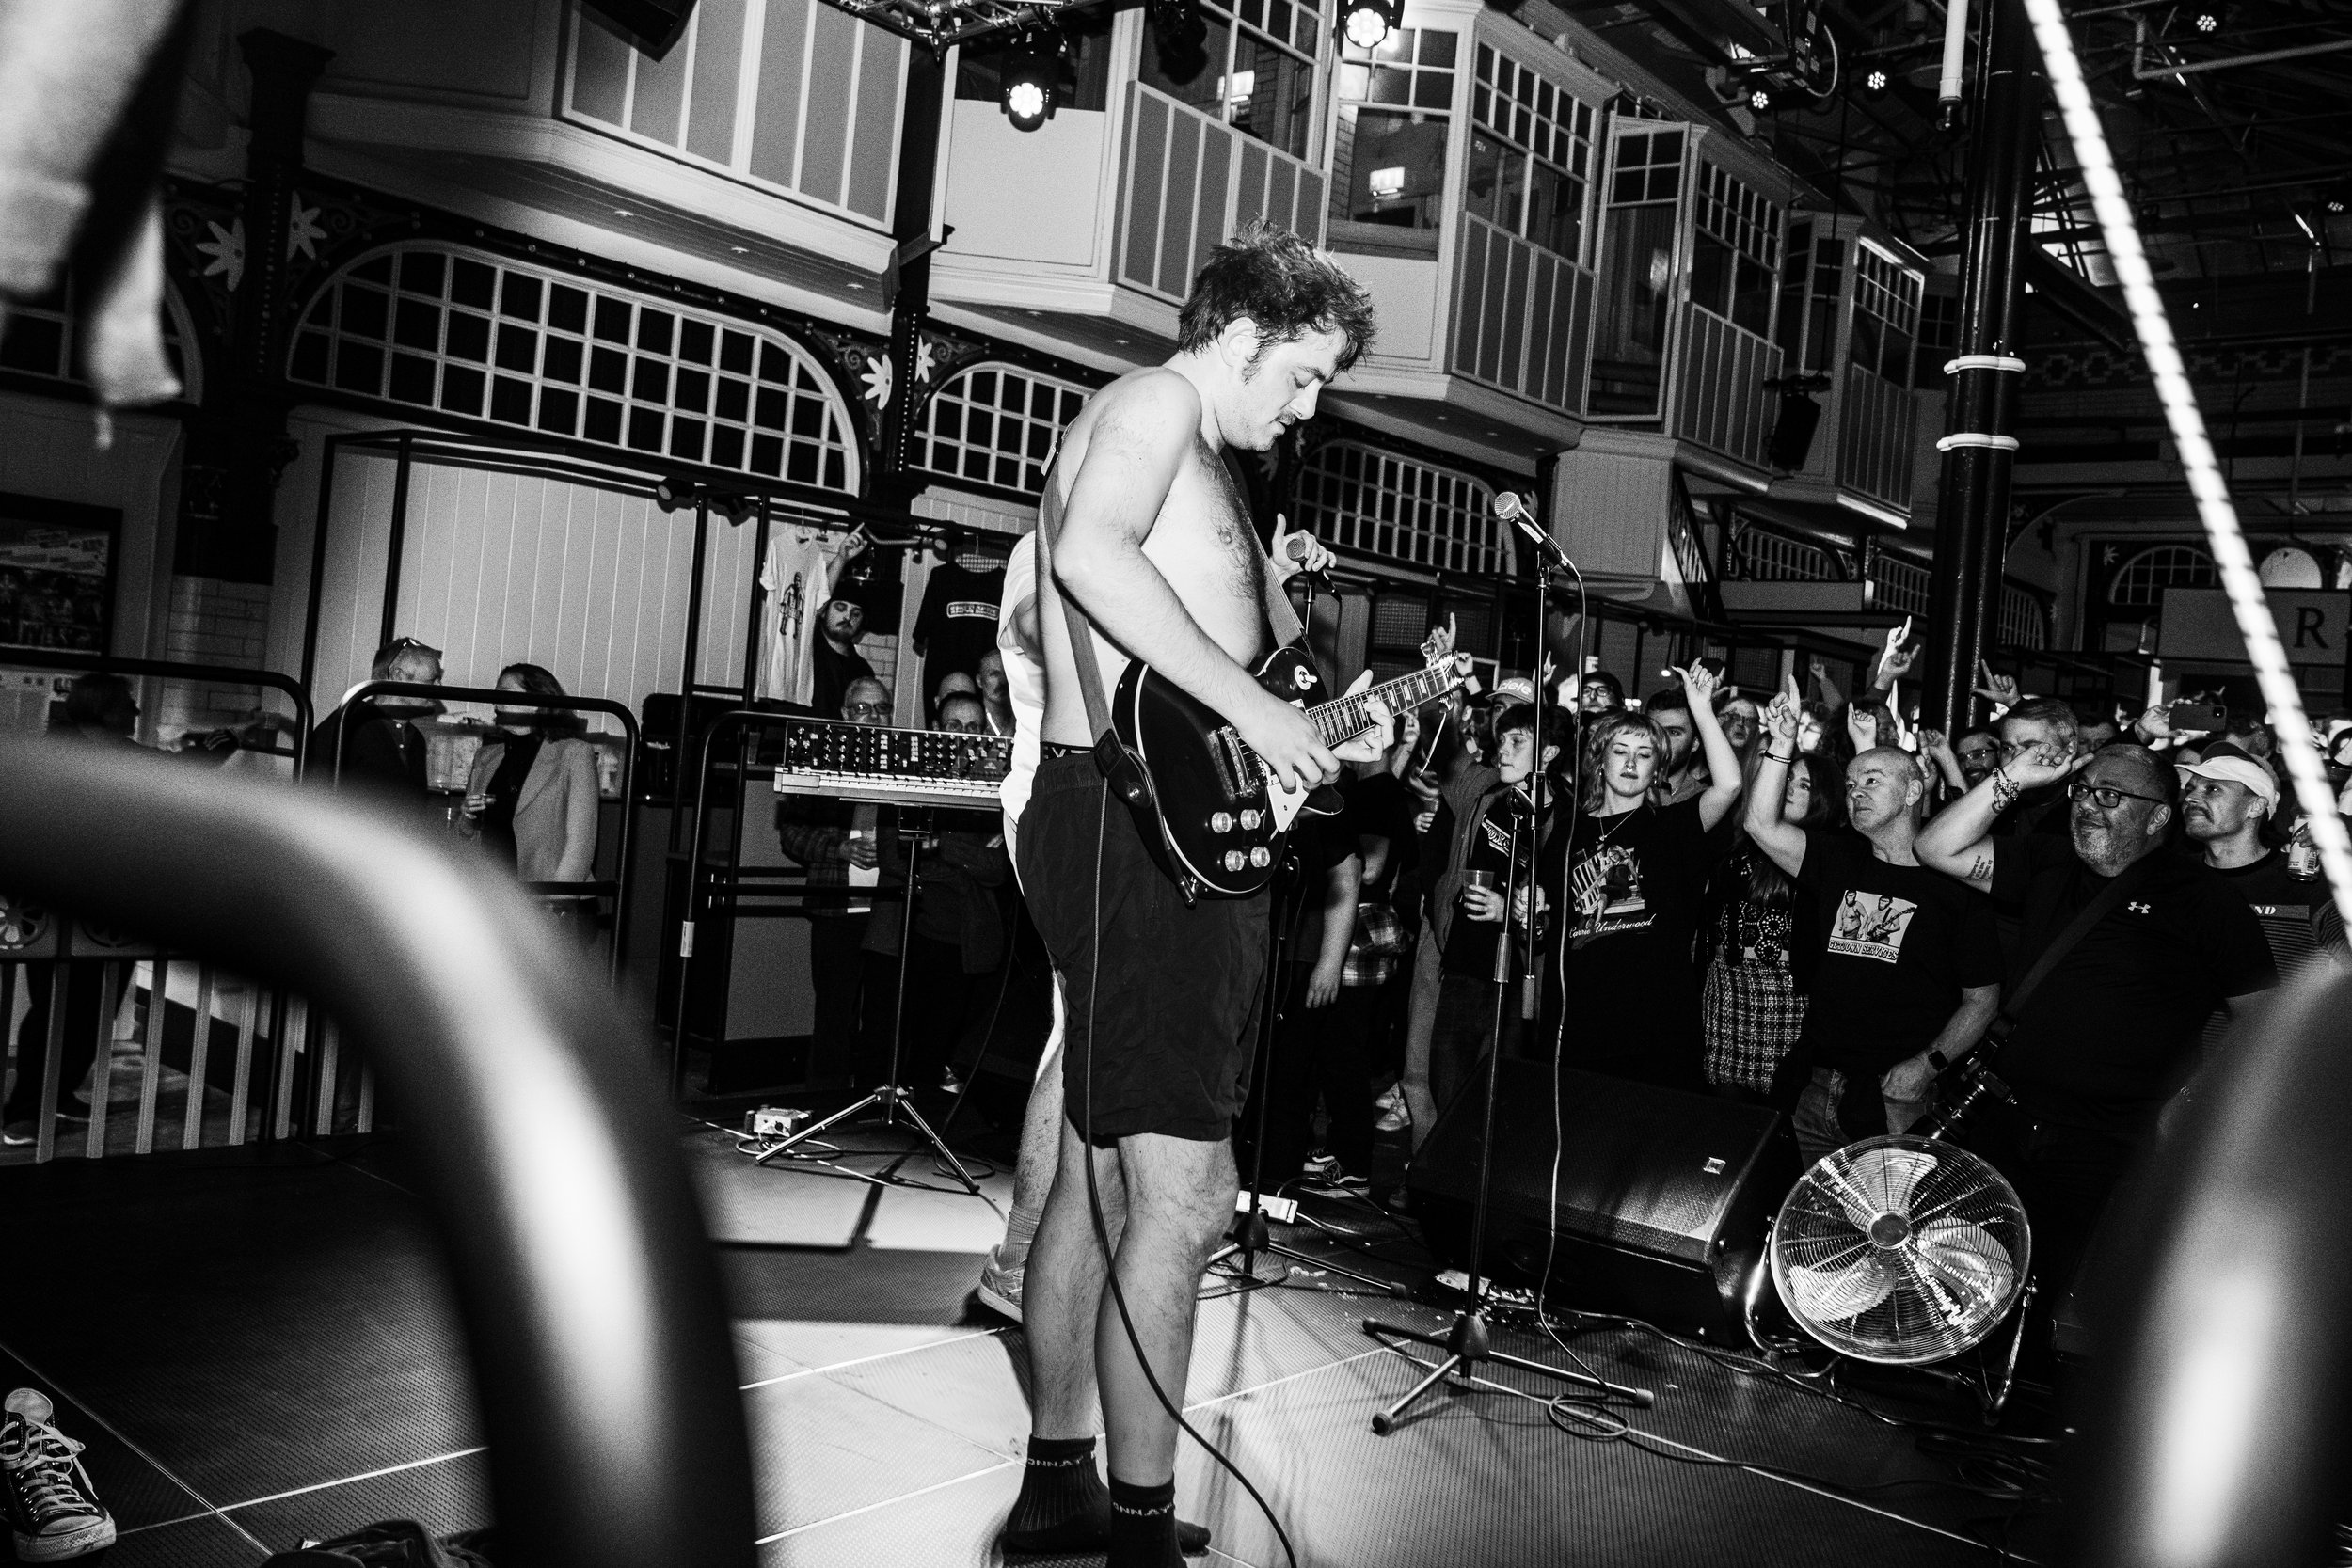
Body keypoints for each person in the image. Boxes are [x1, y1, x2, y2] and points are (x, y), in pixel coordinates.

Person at [1006, 224, 1377, 1568]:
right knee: (1184, 1188)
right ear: (1240, 335)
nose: (1310, 403)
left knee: (1105, 1174)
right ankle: (1143, 1529)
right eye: (1303, 372)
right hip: (1129, 827)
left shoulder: (1203, 452)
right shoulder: (1157, 399)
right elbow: (1091, 559)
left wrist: (1319, 727)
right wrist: (1256, 714)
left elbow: (1240, 675)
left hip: (1157, 820)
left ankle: (1062, 1484)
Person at [1915, 741, 2275, 1316]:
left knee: (2056, 1298)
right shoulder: (2048, 861)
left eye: (2111, 796)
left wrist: (2195, 1098)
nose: (2088, 805)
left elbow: (2263, 1023)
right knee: (1956, 1273)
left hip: (2104, 1146)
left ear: (2159, 815)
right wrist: (2013, 776)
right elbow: (1934, 847)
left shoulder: (2204, 901)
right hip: (2003, 1117)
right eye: (2083, 791)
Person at [1747, 688, 2002, 1161]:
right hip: (1818, 1082)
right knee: (1815, 1227)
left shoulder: (1955, 882)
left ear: (1911, 791)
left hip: (1895, 1092)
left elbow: (1982, 999)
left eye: (1871, 780)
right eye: (1849, 784)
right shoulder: (1837, 857)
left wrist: (1927, 1066)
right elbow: (1761, 825)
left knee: (1888, 1226)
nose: (1855, 791)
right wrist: (1780, 744)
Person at [1541, 665, 1741, 1089]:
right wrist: (1527, 904)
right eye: (1621, 751)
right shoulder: (1567, 829)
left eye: (1645, 755)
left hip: (1655, 1026)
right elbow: (1550, 917)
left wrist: (1702, 709)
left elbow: (1728, 785)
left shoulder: (1672, 826)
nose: (1631, 763)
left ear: (1657, 770)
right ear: (1599, 760)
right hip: (1579, 1019)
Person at [2, 674, 143, 1145]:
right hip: (59, 904)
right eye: (128, 703)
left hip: (104, 902)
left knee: (93, 1006)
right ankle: (24, 1109)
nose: (136, 713)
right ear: (104, 709)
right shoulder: (60, 755)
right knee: (57, 1005)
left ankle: (57, 1095)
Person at [975, 533, 1056, 1323]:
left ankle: (1045, 1249)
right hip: (1059, 800)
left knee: (1097, 1032)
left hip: (1133, 812)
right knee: (1083, 1029)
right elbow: (1036, 629)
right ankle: (1024, 1255)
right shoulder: (1054, 536)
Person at [858, 692, 1009, 1091]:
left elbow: (997, 870)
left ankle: (920, 1130)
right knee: (887, 1042)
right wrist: (965, 860)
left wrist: (939, 844)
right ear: (938, 731)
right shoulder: (909, 777)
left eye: (974, 728)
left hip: (963, 941)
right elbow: (894, 855)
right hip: (907, 932)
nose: (965, 736)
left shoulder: (998, 792)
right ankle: (878, 1127)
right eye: (955, 727)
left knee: (933, 1051)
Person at [1424, 702, 1557, 1127]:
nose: (1503, 750)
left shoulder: (1567, 819)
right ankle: (1440, 1188)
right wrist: (1441, 687)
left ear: (1549, 753)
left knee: (1498, 1105)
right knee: (1447, 1092)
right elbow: (1445, 750)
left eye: (1518, 741)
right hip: (1463, 966)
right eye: (1501, 739)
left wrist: (1511, 910)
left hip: (1517, 981)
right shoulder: (1483, 789)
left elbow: (1560, 911)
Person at [1699, 745, 1840, 1101]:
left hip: (1785, 995)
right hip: (1726, 987)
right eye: (1788, 778)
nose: (1790, 787)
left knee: (1779, 1108)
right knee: (1725, 1111)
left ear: (1824, 797)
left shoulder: (1827, 851)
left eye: (1805, 785)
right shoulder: (1742, 841)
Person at [775, 674, 896, 1085]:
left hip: (890, 910)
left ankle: (874, 1104)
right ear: (845, 714)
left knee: (883, 1015)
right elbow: (790, 833)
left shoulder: (904, 764)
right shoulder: (819, 764)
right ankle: (825, 1102)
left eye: (881, 708)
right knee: (833, 1013)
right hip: (836, 905)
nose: (872, 717)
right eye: (862, 709)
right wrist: (840, 848)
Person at [1234, 813, 1362, 1191]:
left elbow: (1349, 874)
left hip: (1301, 961)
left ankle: (1275, 1181)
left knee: (1287, 1078)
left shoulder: (1326, 809)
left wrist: (1329, 964)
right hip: (1260, 955)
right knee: (1251, 1074)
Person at [458, 664, 604, 947]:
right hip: (492, 901)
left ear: (538, 701)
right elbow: (468, 839)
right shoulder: (486, 757)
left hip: (548, 905)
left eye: (505, 692)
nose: (496, 700)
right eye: (495, 693)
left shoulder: (574, 753)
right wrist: (465, 818)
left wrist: (555, 905)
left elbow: (581, 844)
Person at [2177, 742, 2318, 978]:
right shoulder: (2172, 877)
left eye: (2212, 789)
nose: (2190, 798)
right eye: (2190, 789)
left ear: (2255, 807)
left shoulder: (2300, 882)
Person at [310, 636, 442, 800]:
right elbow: (313, 797)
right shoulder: (347, 725)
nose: (440, 687)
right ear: (398, 676)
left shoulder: (416, 739)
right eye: (432, 680)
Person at [1992, 695, 2079, 837]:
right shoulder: (2000, 812)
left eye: (2031, 748)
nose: (2016, 760)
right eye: (2008, 749)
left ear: (2070, 749)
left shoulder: (2082, 813)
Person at [808, 592, 876, 723]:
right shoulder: (804, 654)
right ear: (823, 612)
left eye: (856, 614)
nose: (848, 617)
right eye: (840, 608)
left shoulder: (863, 671)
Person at [1644, 684, 1706, 807]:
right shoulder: (1622, 787)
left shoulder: (1701, 798)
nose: (1662, 739)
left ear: (1695, 743)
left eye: (1674, 732)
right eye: (1654, 730)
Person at [976, 648, 1015, 737]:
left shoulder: (1024, 718)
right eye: (994, 674)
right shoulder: (974, 721)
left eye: (1006, 673)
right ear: (979, 680)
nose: (1003, 681)